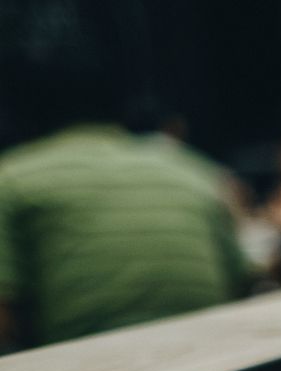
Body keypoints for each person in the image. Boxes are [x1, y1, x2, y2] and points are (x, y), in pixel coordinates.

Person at [0, 36, 249, 349]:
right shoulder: (190, 167)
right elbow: (244, 281)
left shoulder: (11, 179)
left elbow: (3, 323)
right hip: (218, 369)